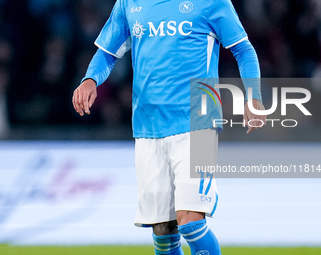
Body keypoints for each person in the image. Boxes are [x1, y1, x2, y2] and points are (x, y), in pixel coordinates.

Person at [72, 0, 266, 254]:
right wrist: (90, 79)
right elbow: (108, 52)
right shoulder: (129, 3)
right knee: (163, 231)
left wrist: (253, 96)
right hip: (147, 126)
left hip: (196, 122)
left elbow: (243, 49)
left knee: (190, 222)